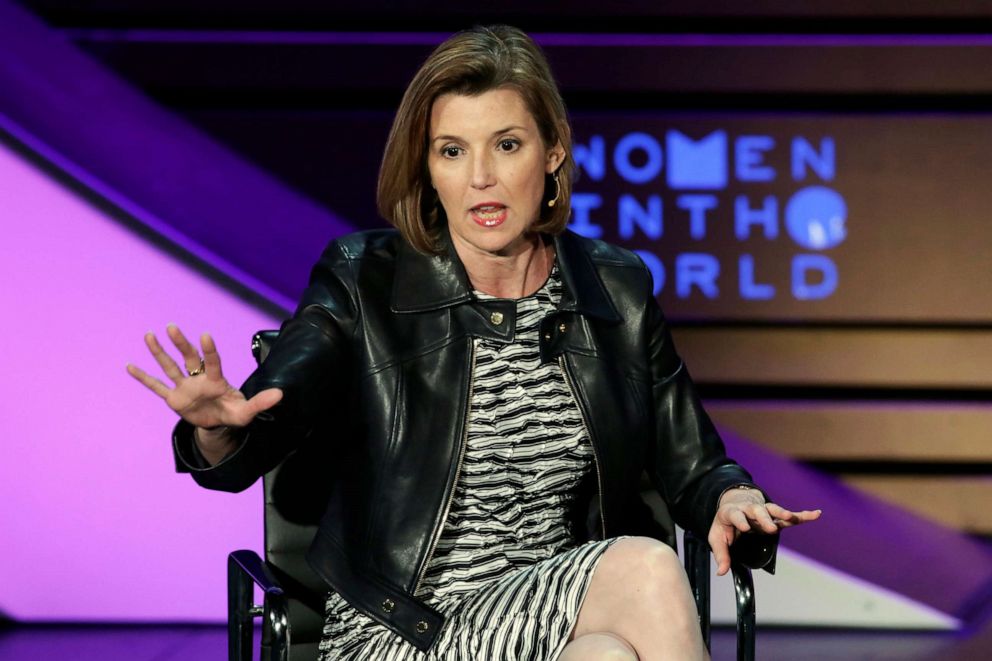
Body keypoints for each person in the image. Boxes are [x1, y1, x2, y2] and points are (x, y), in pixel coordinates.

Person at [128, 25, 820, 661]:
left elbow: (693, 461)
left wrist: (731, 499)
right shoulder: (363, 280)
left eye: (507, 145)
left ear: (553, 152)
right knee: (646, 565)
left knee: (608, 655)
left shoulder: (616, 289)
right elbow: (268, 417)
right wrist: (218, 430)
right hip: (401, 626)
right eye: (452, 151)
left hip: (557, 615)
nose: (481, 176)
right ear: (428, 169)